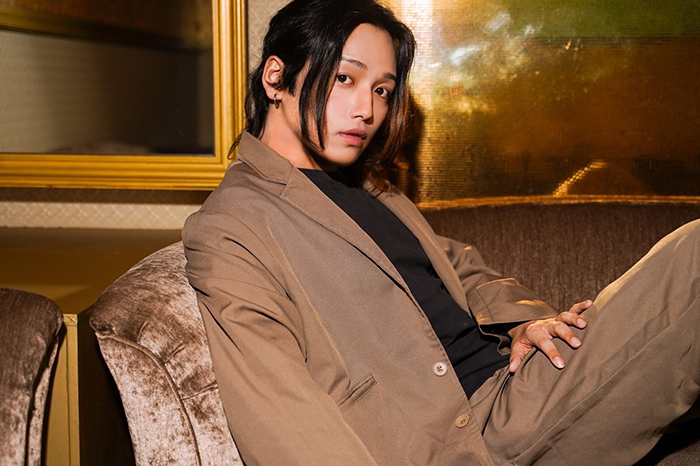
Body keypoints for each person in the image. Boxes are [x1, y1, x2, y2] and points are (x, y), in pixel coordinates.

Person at [182, 0, 700, 464]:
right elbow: (280, 410)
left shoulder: (370, 188)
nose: (367, 110)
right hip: (472, 435)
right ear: (276, 77)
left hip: (517, 380)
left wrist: (525, 322)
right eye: (345, 78)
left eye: (381, 90)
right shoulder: (232, 225)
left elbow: (457, 265)